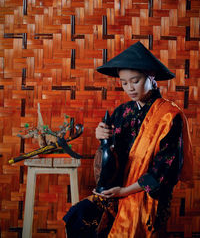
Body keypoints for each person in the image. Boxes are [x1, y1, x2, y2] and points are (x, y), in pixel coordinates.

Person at [63, 41, 193, 238]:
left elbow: (163, 171)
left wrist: (124, 192)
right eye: (124, 83)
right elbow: (111, 156)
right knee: (78, 216)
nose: (130, 88)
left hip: (146, 195)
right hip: (115, 191)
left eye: (135, 81)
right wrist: (102, 137)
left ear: (152, 77)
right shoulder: (122, 112)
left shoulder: (169, 116)